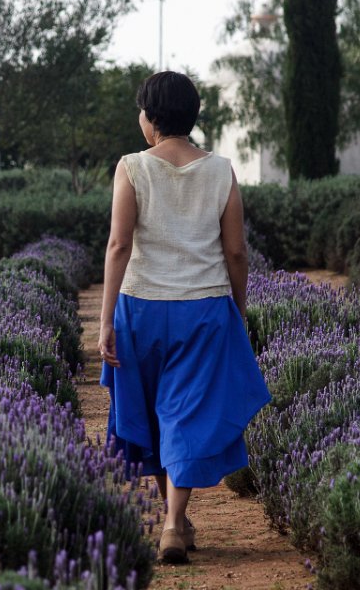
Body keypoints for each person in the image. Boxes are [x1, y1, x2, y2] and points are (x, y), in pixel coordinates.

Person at [97, 71, 273, 564]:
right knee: (185, 413)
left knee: (153, 413)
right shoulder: (220, 170)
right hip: (204, 308)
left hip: (141, 308)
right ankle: (175, 521)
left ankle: (173, 520)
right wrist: (237, 309)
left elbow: (118, 245)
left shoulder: (132, 167)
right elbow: (236, 252)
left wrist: (106, 319)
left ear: (151, 118)